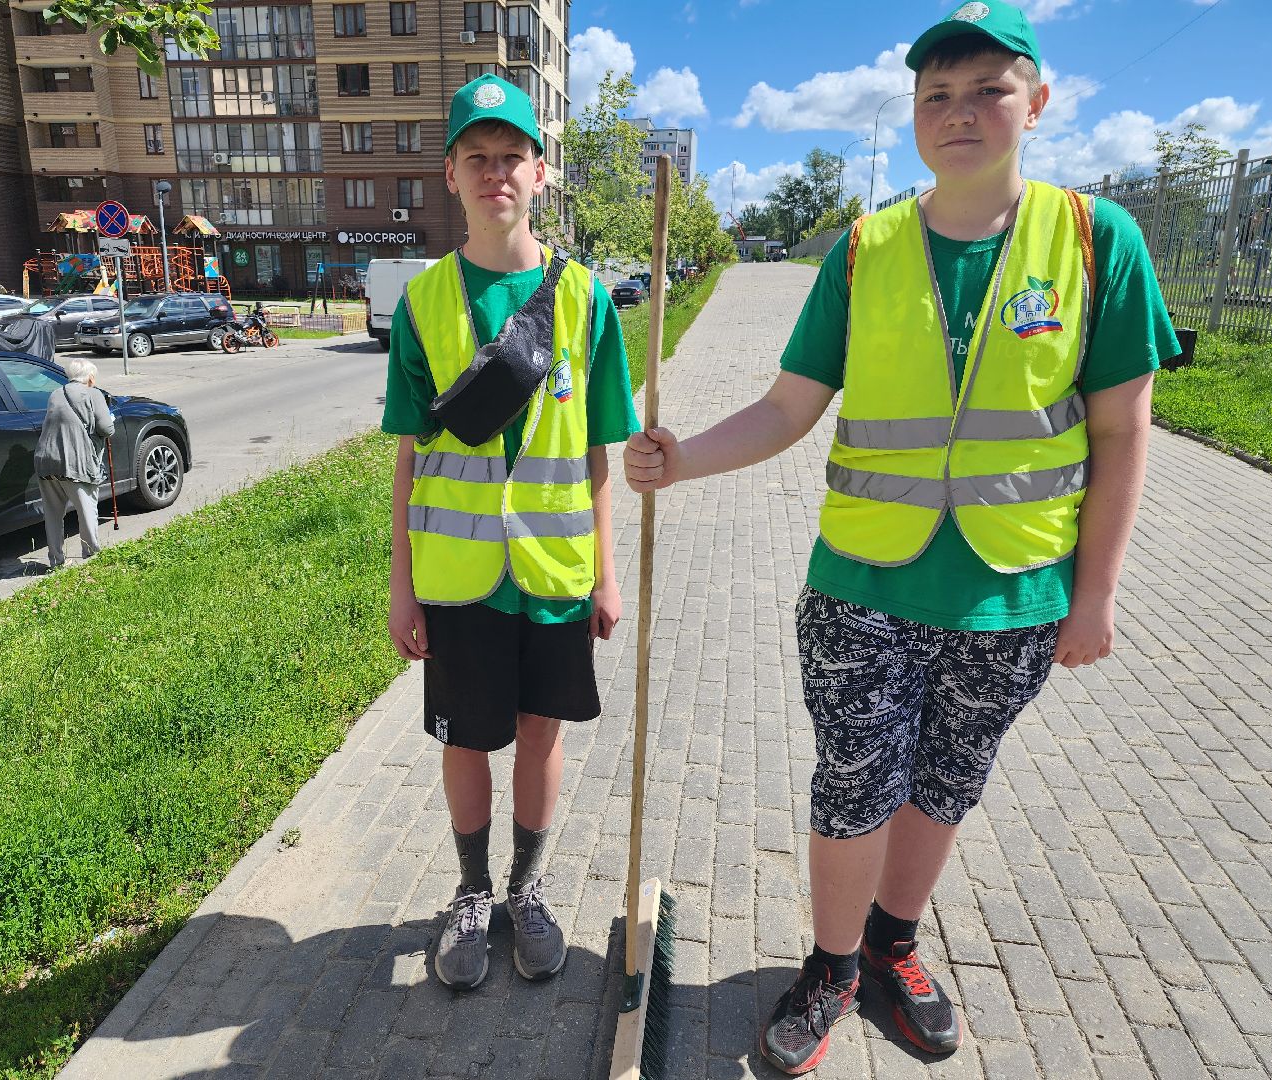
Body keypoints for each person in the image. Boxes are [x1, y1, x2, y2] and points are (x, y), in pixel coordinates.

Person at [624, 3, 1178, 1073]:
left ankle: (892, 946)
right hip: (861, 588)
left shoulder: (1097, 242)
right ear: (915, 115)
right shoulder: (866, 247)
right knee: (853, 784)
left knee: (945, 784)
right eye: (936, 95)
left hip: (1014, 591)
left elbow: (1121, 426)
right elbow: (790, 407)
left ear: (1038, 101)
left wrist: (1097, 593)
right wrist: (681, 456)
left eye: (986, 90)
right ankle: (831, 965)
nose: (959, 112)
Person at [381, 74, 639, 990]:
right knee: (465, 738)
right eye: (476, 158)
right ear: (450, 175)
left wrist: (608, 575)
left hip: (555, 573)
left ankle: (526, 891)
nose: (497, 173)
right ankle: (470, 891)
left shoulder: (588, 302)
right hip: (458, 578)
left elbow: (598, 455)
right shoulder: (421, 305)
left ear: (540, 172)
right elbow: (411, 454)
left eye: (512, 158)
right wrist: (400, 582)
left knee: (539, 730)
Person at [34, 357, 114, 569]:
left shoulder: (55, 394)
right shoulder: (93, 393)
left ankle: (56, 561)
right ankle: (92, 556)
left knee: (52, 513)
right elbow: (106, 429)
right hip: (76, 462)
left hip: (46, 460)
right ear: (90, 377)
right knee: (87, 510)